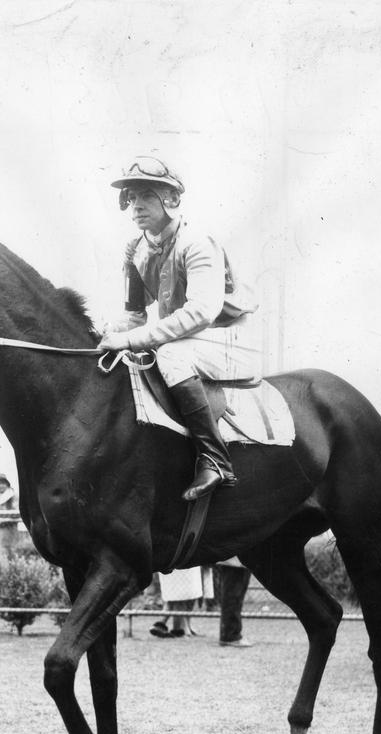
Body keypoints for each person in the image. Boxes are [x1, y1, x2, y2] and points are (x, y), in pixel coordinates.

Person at [98, 155, 261, 501]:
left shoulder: (198, 243)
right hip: (190, 342)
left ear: (170, 200)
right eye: (131, 197)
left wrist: (128, 338)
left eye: (145, 195)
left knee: (169, 354)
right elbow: (136, 319)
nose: (135, 206)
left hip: (230, 338)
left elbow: (201, 312)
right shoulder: (136, 252)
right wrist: (107, 333)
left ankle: (215, 460)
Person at [149, 565, 206, 638]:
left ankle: (163, 624)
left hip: (189, 566)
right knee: (178, 597)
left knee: (189, 595)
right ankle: (178, 629)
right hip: (175, 566)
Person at [214, 556, 253, 647]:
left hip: (237, 562)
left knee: (235, 598)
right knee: (233, 597)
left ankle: (230, 634)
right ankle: (230, 636)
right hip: (235, 562)